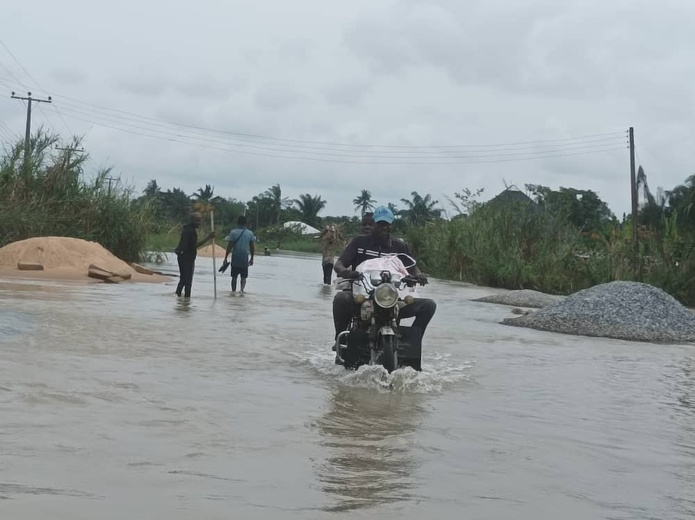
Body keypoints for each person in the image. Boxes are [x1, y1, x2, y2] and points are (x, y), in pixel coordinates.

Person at [332, 206, 436, 341]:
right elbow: (339, 264)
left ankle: (411, 340)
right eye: (380, 224)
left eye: (386, 224)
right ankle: (340, 338)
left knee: (429, 305)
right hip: (363, 297)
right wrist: (346, 272)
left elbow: (413, 268)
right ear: (374, 223)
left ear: (391, 225)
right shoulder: (359, 242)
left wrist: (419, 276)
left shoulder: (399, 246)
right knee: (341, 299)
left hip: (392, 298)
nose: (383, 227)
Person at [174, 212, 214, 297]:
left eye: (200, 220)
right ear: (192, 220)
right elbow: (194, 246)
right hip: (187, 258)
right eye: (197, 221)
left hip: (182, 256)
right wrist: (208, 237)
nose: (199, 223)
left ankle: (178, 297)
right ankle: (186, 301)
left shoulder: (186, 229)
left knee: (183, 279)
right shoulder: (191, 231)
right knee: (187, 281)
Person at [222, 215, 256, 293]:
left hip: (235, 258)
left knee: (234, 277)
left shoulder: (233, 232)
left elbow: (229, 246)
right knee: (243, 277)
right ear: (245, 223)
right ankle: (242, 290)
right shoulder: (250, 233)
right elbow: (252, 247)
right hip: (244, 258)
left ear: (237, 223)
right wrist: (252, 258)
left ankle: (233, 291)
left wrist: (225, 257)